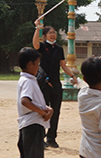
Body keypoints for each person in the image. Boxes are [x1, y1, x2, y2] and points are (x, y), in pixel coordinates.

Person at [17, 47, 53, 158]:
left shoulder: (26, 80)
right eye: (37, 64)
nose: (38, 67)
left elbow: (32, 101)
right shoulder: (29, 81)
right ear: (30, 64)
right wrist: (41, 112)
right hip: (33, 125)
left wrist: (46, 108)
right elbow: (25, 101)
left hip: (27, 125)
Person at [32, 21, 79, 149]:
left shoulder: (59, 49)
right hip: (44, 83)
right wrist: (38, 28)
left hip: (56, 84)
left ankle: (51, 138)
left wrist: (72, 76)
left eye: (54, 33)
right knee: (43, 110)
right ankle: (40, 138)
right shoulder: (41, 47)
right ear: (45, 35)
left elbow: (63, 65)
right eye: (50, 33)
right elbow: (34, 44)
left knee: (56, 111)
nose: (53, 35)